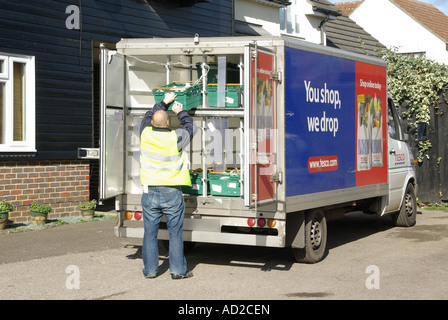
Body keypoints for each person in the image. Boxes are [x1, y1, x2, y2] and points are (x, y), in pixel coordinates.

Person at [140, 92, 197, 280]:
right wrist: (180, 112)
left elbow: (150, 114)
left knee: (150, 233)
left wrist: (164, 101)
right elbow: (190, 127)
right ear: (167, 124)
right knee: (175, 233)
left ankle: (150, 270)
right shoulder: (176, 137)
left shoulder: (144, 133)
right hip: (171, 192)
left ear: (152, 124)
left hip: (149, 191)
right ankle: (178, 271)